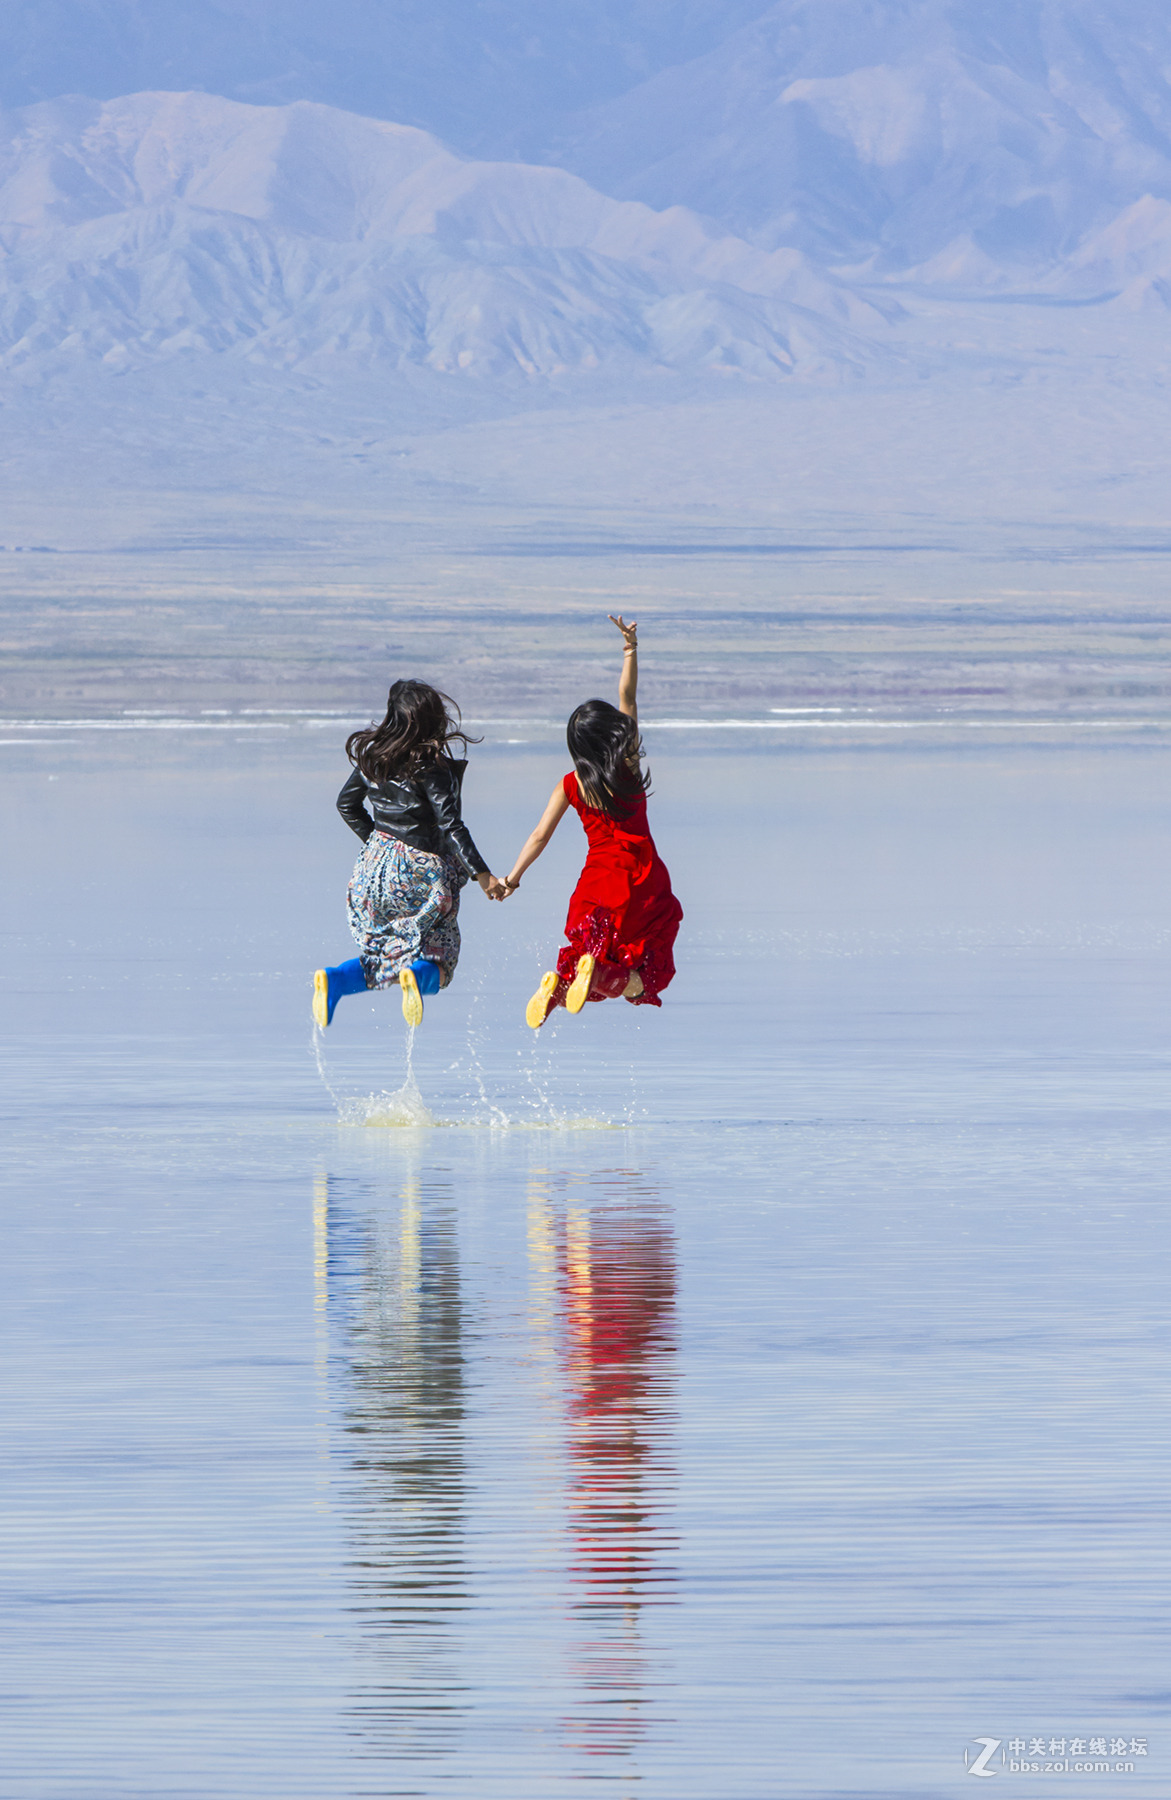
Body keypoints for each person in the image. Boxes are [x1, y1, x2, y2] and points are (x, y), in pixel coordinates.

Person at [503, 616, 682, 1028]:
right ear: (613, 733)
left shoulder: (570, 784)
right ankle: (592, 975)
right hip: (641, 880)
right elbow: (628, 696)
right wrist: (630, 648)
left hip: (595, 887)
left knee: (588, 957)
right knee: (650, 975)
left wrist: (512, 878)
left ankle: (557, 992)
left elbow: (539, 836)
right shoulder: (628, 766)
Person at [313, 680, 506, 1029]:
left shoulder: (374, 758)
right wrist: (483, 875)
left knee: (385, 949)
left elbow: (346, 804)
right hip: (420, 873)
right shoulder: (433, 767)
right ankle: (417, 979)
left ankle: (336, 980)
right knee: (440, 956)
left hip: (373, 871)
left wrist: (378, 845)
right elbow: (451, 826)